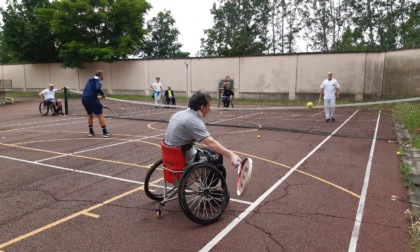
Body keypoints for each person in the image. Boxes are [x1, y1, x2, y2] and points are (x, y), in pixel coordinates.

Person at [164, 90, 241, 180]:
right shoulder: (193, 120)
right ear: (202, 107)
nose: (210, 109)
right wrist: (231, 155)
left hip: (170, 159)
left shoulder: (178, 114)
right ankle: (210, 189)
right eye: (208, 106)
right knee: (218, 155)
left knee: (207, 151)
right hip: (184, 161)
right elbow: (210, 143)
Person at [82, 70, 112, 137]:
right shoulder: (98, 80)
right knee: (100, 115)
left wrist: (99, 103)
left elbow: (91, 93)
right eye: (103, 75)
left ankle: (91, 132)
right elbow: (97, 89)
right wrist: (103, 94)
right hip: (91, 99)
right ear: (101, 75)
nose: (103, 76)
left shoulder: (90, 80)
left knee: (90, 115)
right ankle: (105, 133)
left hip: (84, 99)